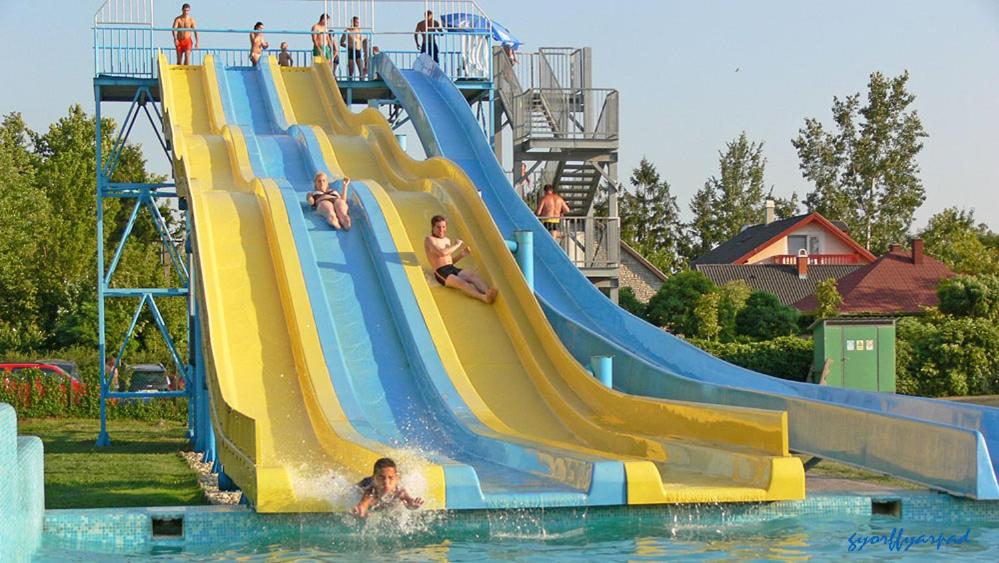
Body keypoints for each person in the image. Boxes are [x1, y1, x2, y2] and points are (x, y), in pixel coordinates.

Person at [424, 215, 498, 304]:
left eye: (443, 227)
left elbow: (450, 261)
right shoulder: (429, 239)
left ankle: (487, 292)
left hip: (451, 268)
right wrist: (457, 245)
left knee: (472, 275)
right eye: (438, 227)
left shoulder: (447, 240)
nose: (441, 230)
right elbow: (441, 253)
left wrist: (461, 255)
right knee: (462, 283)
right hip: (441, 272)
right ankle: (483, 297)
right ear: (433, 227)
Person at [352, 458, 423, 519]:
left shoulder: (399, 491)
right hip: (367, 482)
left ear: (396, 479)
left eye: (390, 478)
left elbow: (409, 501)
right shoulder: (371, 491)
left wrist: (411, 505)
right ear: (374, 478)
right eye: (381, 478)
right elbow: (364, 503)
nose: (386, 482)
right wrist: (361, 510)